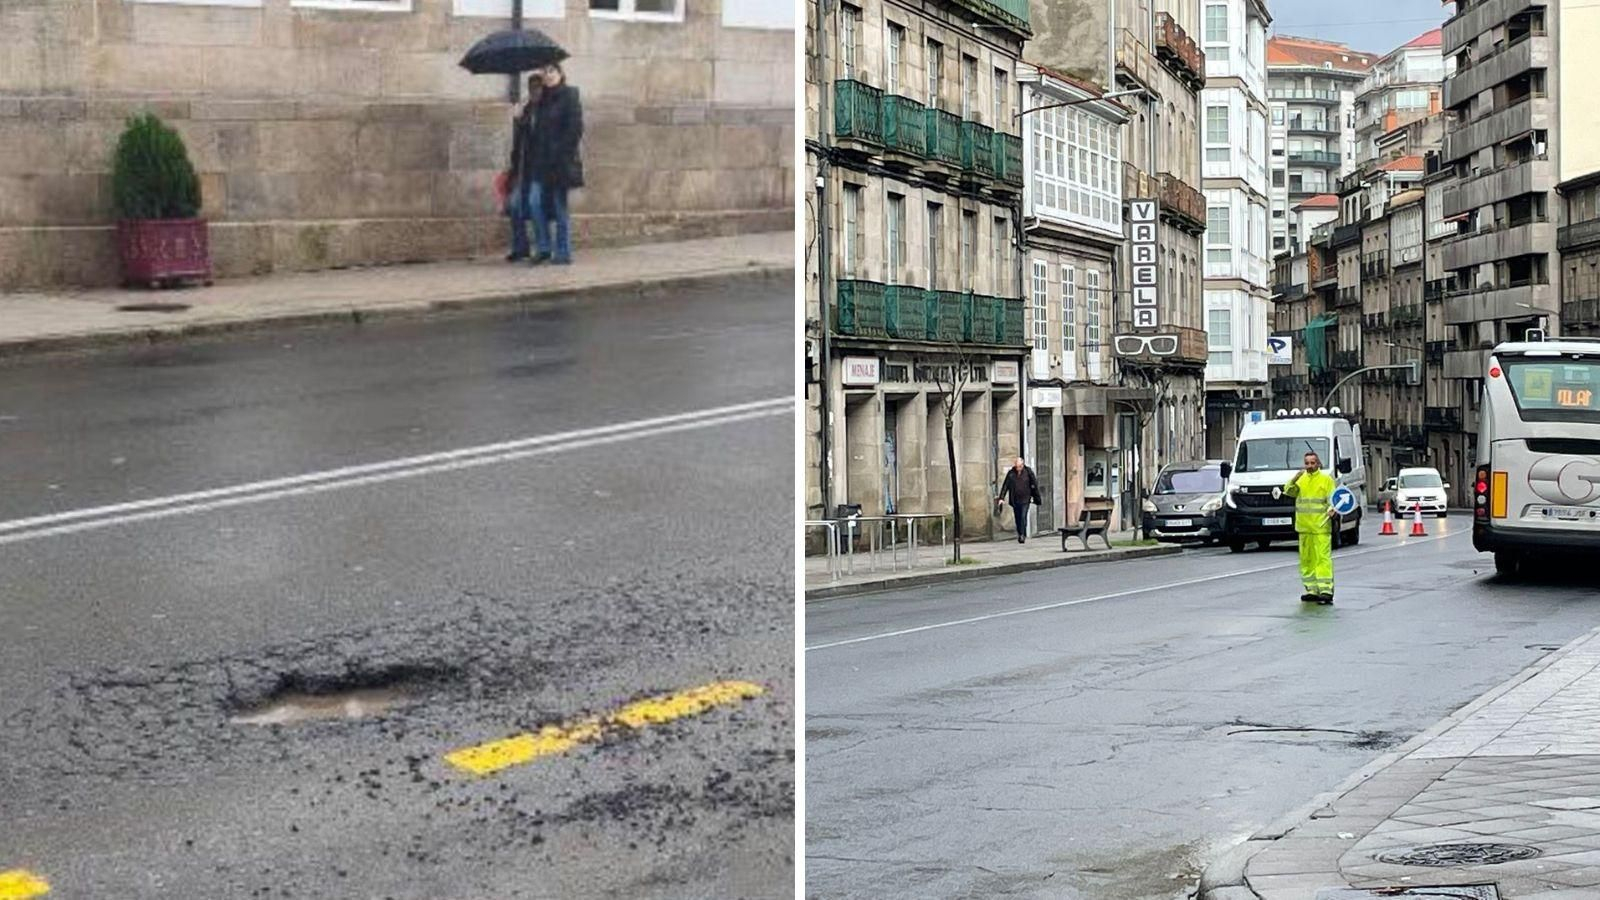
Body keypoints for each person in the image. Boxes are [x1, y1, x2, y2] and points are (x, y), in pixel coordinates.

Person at [528, 63, 584, 266]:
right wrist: (521, 117)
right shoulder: (540, 100)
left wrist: (561, 153)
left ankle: (563, 252)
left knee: (560, 207)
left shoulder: (570, 95)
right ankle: (544, 248)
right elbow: (534, 132)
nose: (548, 75)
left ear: (560, 73)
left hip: (559, 162)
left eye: (552, 70)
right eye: (544, 72)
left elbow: (576, 128)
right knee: (534, 202)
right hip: (540, 163)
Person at [1283, 451, 1340, 604]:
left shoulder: (1326, 480)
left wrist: (1332, 509)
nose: (1309, 466)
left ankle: (1326, 590)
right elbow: (1288, 491)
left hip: (1321, 527)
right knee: (1306, 560)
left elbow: (1333, 499)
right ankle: (1312, 589)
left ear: (1318, 463)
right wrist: (1294, 478)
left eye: (1312, 463)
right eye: (1307, 463)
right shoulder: (1301, 479)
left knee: (1322, 559)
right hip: (1304, 527)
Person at [505, 73, 543, 262]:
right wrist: (518, 119)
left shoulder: (546, 110)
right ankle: (521, 247)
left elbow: (540, 136)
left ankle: (543, 247)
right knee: (514, 205)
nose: (534, 91)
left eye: (537, 87)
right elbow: (519, 141)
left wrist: (524, 121)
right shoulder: (526, 110)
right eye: (531, 87)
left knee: (536, 206)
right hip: (523, 169)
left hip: (540, 169)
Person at [996, 457, 1041, 544]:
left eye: (1019, 466)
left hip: (1025, 499)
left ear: (1022, 465)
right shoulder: (1011, 473)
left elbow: (1034, 484)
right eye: (1016, 466)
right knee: (1018, 518)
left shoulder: (1028, 472)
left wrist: (1036, 497)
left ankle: (1022, 535)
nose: (1018, 468)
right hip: (1015, 499)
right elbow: (1005, 486)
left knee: (1023, 517)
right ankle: (1020, 533)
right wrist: (1001, 498)